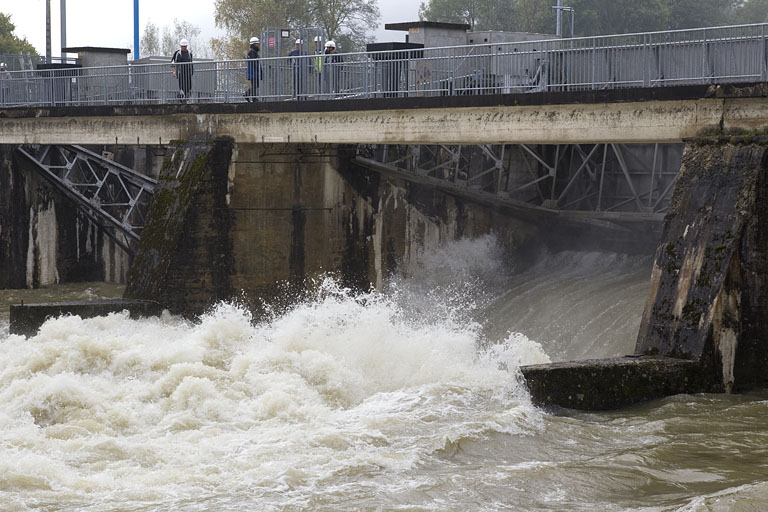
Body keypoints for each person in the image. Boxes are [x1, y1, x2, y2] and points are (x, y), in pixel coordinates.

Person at [245, 36, 261, 102]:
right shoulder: (252, 52)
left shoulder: (253, 51)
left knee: (255, 85)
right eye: (257, 44)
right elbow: (254, 61)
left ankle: (248, 95)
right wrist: (258, 69)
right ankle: (252, 97)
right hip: (253, 72)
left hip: (253, 71)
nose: (258, 45)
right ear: (254, 44)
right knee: (255, 84)